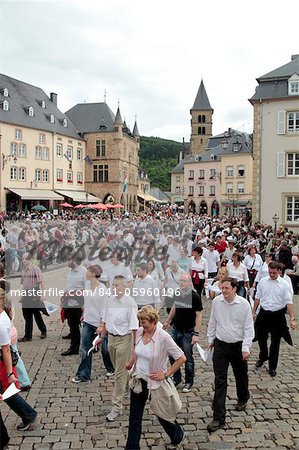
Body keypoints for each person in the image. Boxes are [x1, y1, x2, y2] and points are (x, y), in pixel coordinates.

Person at [125, 305, 186, 450]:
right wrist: (131, 362)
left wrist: (165, 374)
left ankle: (177, 435)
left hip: (155, 381)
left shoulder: (164, 337)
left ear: (153, 322)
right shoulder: (140, 332)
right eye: (140, 323)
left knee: (162, 413)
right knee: (134, 417)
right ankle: (132, 447)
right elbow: (137, 349)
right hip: (139, 379)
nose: (141, 326)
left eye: (144, 323)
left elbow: (181, 358)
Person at [206, 277, 254, 433]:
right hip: (220, 345)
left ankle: (242, 397)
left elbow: (248, 328)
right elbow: (212, 321)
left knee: (241, 375)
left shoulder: (244, 304)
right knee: (220, 380)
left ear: (234, 289)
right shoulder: (217, 302)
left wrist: (246, 348)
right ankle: (218, 418)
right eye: (222, 288)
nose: (224, 291)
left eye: (227, 288)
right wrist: (210, 339)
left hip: (238, 345)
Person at [97, 275, 139, 422]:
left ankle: (116, 407)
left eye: (117, 285)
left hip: (125, 340)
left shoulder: (130, 303)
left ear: (124, 287)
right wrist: (101, 337)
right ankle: (128, 385)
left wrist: (134, 347)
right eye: (113, 285)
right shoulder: (109, 300)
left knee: (119, 375)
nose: (114, 288)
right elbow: (105, 320)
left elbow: (134, 327)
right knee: (118, 370)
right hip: (111, 339)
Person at [0, 288, 38, 432]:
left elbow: (6, 349)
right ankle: (29, 414)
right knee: (6, 393)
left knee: (8, 393)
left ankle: (29, 414)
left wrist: (10, 373)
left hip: (3, 363)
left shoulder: (2, 322)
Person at [253, 261, 297, 377]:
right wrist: (253, 312)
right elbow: (257, 297)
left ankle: (272, 366)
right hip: (264, 313)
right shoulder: (263, 282)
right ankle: (263, 356)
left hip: (278, 315)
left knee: (275, 342)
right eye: (270, 272)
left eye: (274, 273)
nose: (271, 275)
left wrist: (292, 318)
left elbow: (289, 302)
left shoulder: (284, 284)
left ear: (279, 271)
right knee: (261, 338)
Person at [71, 265, 112, 383]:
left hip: (100, 323)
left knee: (105, 349)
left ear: (94, 274)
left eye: (88, 271)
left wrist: (101, 325)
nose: (86, 272)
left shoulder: (102, 289)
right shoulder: (87, 285)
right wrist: (84, 313)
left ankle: (111, 367)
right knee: (85, 348)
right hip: (88, 321)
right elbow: (86, 301)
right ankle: (84, 374)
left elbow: (105, 308)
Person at [163, 273, 203, 393]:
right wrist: (167, 321)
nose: (181, 283)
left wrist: (196, 334)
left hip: (188, 332)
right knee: (172, 353)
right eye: (180, 281)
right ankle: (177, 378)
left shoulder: (195, 296)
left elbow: (199, 315)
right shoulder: (178, 293)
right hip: (176, 329)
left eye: (184, 281)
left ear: (189, 282)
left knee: (187, 357)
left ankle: (189, 381)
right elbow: (174, 307)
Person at [18, 253, 47, 342]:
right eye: (23, 259)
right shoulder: (23, 270)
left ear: (30, 259)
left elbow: (41, 282)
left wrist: (42, 294)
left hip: (34, 292)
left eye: (26, 259)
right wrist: (21, 295)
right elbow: (23, 284)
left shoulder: (36, 269)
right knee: (27, 315)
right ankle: (28, 335)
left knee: (36, 314)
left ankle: (43, 330)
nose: (24, 260)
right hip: (26, 294)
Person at [61, 256, 87, 356]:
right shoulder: (70, 271)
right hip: (69, 302)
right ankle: (74, 348)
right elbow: (68, 286)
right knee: (72, 325)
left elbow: (87, 289)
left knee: (84, 326)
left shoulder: (84, 272)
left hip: (79, 302)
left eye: (69, 259)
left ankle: (90, 346)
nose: (67, 261)